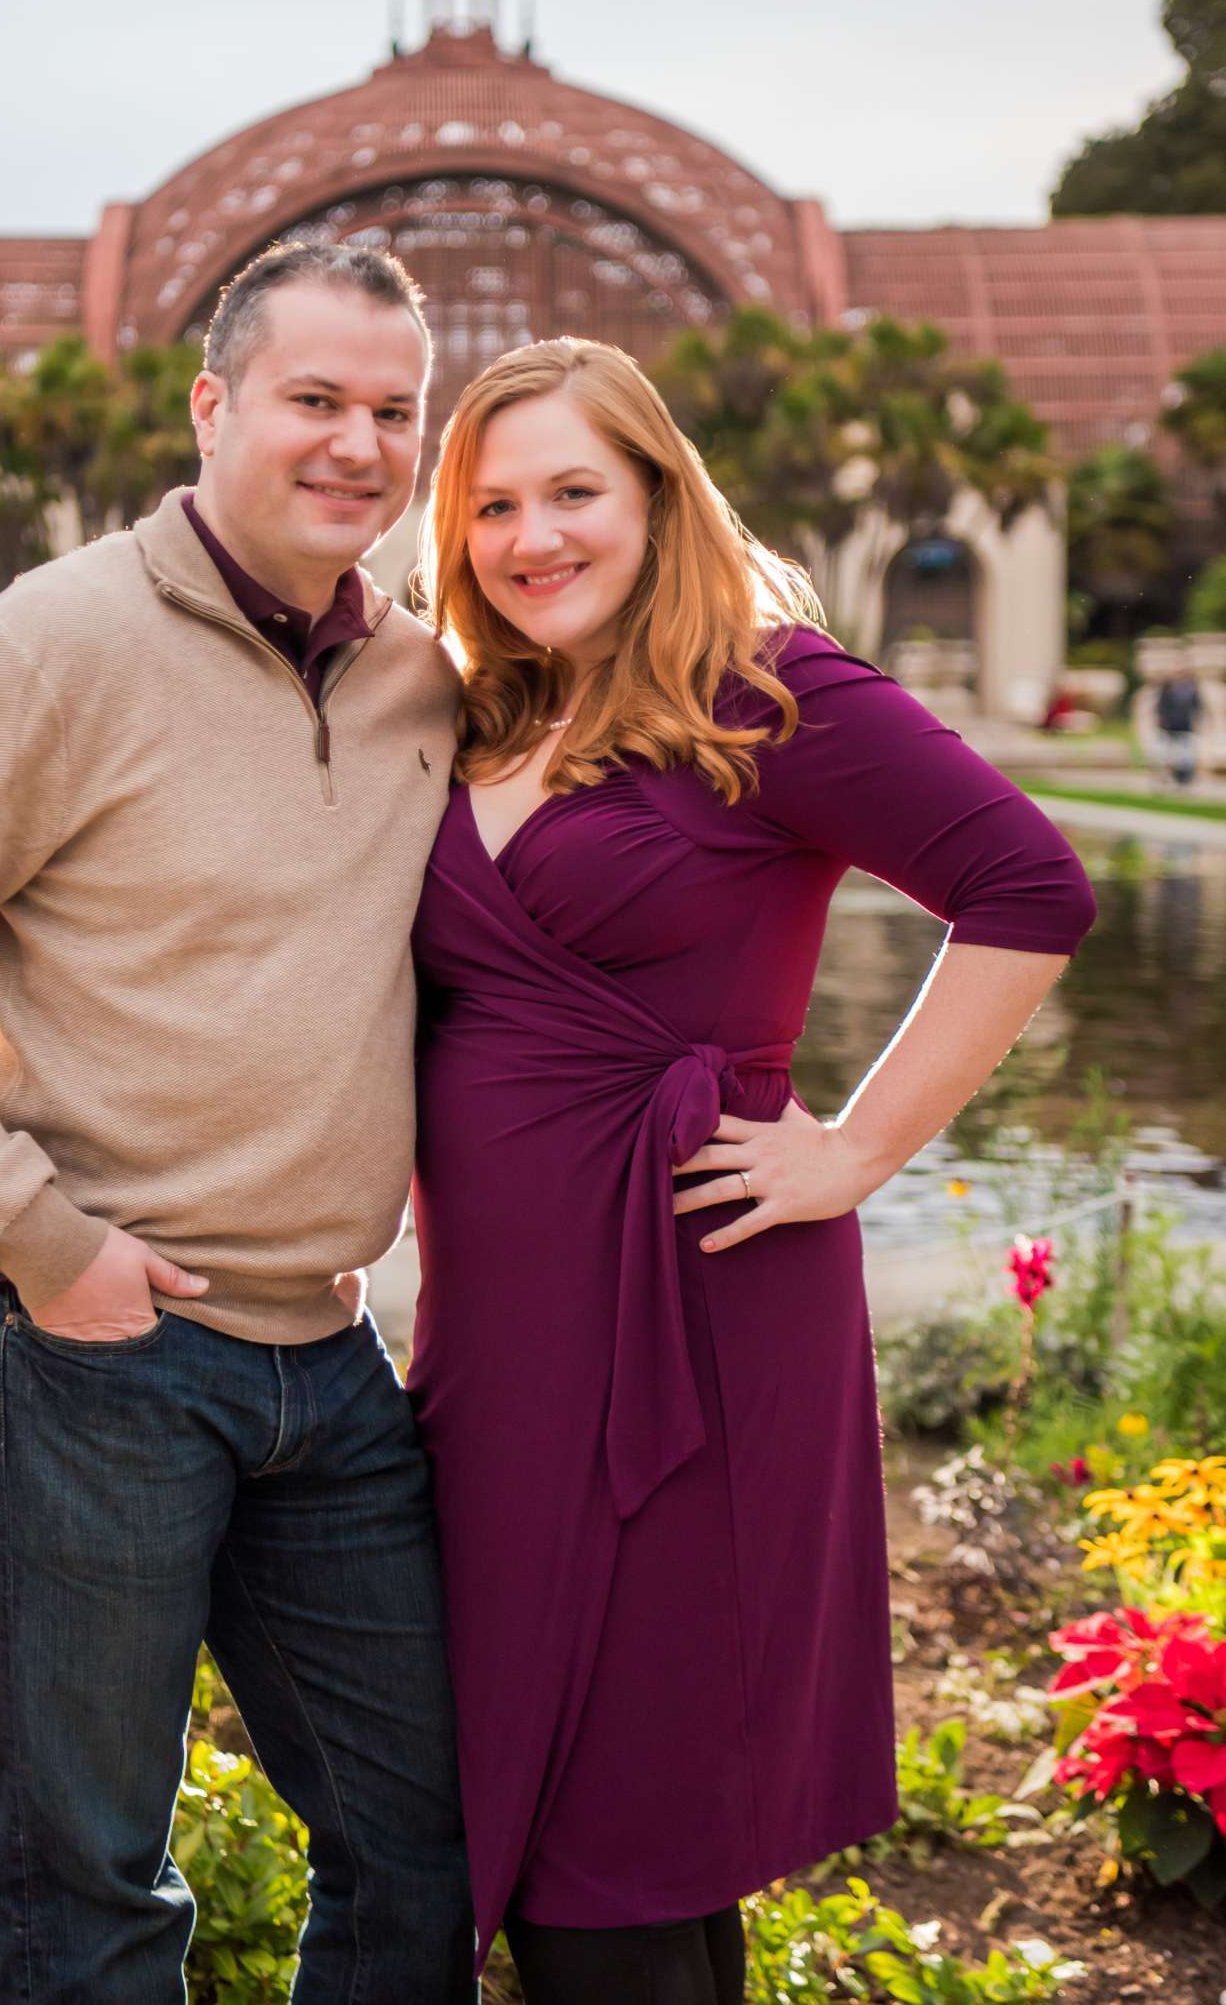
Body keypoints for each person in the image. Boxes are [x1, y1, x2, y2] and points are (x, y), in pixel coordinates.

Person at [0, 242, 475, 2005]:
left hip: (325, 1355)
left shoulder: (421, 679)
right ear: (214, 405)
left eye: (394, 410)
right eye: (314, 399)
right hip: (90, 1348)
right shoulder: (54, 641)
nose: (358, 444)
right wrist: (48, 1247)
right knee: (93, 1876)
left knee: (422, 1840)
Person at [407, 339, 1098, 2004]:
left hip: (695, 1315)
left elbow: (1028, 886)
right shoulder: (472, 708)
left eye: (574, 492)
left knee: (623, 1833)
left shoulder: (767, 690)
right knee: (541, 1803)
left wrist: (855, 1146)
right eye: (492, 504)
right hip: (500, 1346)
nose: (531, 536)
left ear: (657, 495)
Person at [1154, 667, 1201, 786]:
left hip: (1185, 726)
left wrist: (1196, 722)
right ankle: (1165, 777)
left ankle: (1183, 779)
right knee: (1167, 754)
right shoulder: (1167, 689)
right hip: (1169, 727)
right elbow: (1161, 707)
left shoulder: (1192, 690)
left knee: (1185, 755)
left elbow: (1197, 708)